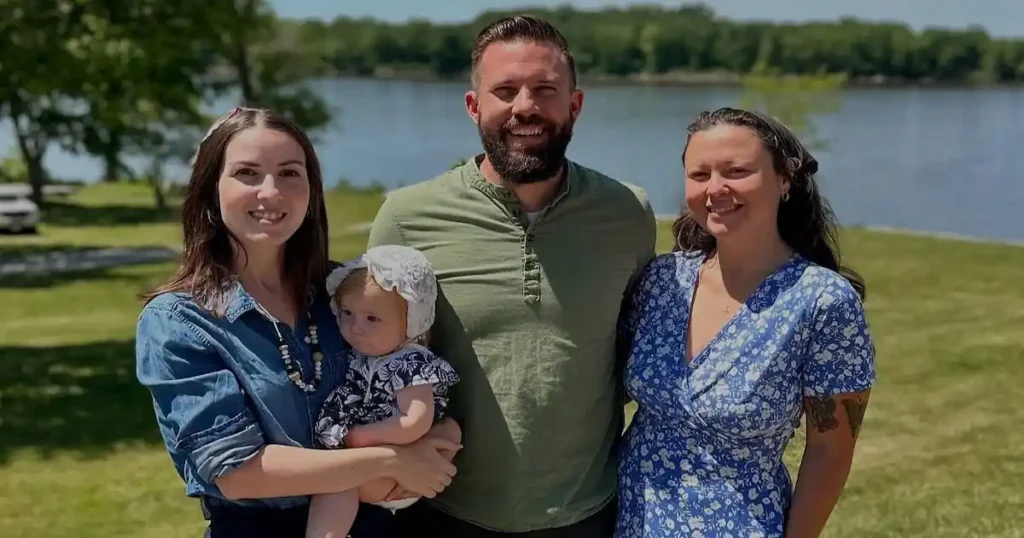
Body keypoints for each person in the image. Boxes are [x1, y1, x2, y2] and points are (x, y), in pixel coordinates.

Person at [367, 14, 658, 538]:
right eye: (505, 90)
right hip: (442, 510)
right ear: (474, 106)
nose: (525, 106)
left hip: (589, 513)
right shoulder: (407, 217)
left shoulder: (627, 213)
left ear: (575, 103)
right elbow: (371, 358)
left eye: (545, 89)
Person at [134, 106, 461, 538]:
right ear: (211, 189)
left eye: (290, 173)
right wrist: (391, 460)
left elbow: (408, 371)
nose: (270, 192)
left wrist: (437, 433)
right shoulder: (180, 321)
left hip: (379, 522)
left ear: (310, 189)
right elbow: (239, 473)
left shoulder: (340, 294)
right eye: (247, 173)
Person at [615, 107, 876, 538]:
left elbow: (830, 451)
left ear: (783, 180)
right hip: (629, 520)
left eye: (736, 171)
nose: (716, 188)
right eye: (699, 175)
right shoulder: (662, 280)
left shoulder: (822, 303)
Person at [306, 244, 460, 537]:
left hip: (397, 468)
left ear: (410, 321)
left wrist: (364, 436)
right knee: (337, 476)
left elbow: (415, 420)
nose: (355, 327)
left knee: (339, 481)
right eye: (347, 312)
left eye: (372, 319)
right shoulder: (363, 355)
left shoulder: (409, 362)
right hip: (387, 460)